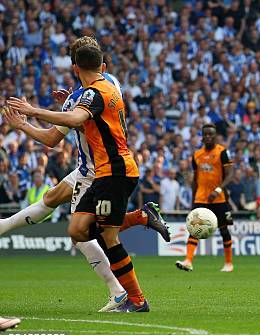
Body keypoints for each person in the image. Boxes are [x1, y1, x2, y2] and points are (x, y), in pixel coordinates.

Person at [1, 36, 169, 313]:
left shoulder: (86, 97)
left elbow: (58, 134)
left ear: (75, 67)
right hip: (98, 169)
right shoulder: (111, 82)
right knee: (68, 216)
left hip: (107, 171)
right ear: (101, 63)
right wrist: (69, 104)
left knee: (99, 234)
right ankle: (139, 223)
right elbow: (88, 115)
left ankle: (131, 296)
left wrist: (31, 115)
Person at [176, 124, 235, 273]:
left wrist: (218, 189)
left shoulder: (223, 152)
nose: (208, 137)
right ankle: (188, 261)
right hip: (201, 198)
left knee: (223, 230)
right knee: (194, 228)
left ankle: (229, 263)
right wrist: (193, 200)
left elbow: (230, 175)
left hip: (219, 198)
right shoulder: (197, 155)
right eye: (205, 134)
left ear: (215, 136)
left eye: (211, 134)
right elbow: (196, 179)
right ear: (202, 137)